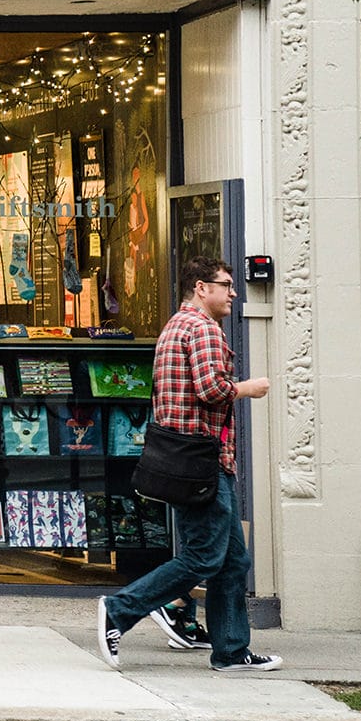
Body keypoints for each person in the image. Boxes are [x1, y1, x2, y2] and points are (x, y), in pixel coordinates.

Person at [97, 255, 280, 673]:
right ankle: (121, 609)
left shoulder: (175, 325)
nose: (233, 292)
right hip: (202, 461)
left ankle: (231, 651)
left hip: (186, 459)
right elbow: (212, 389)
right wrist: (249, 388)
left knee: (233, 561)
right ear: (202, 287)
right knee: (202, 558)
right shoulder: (202, 328)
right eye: (226, 285)